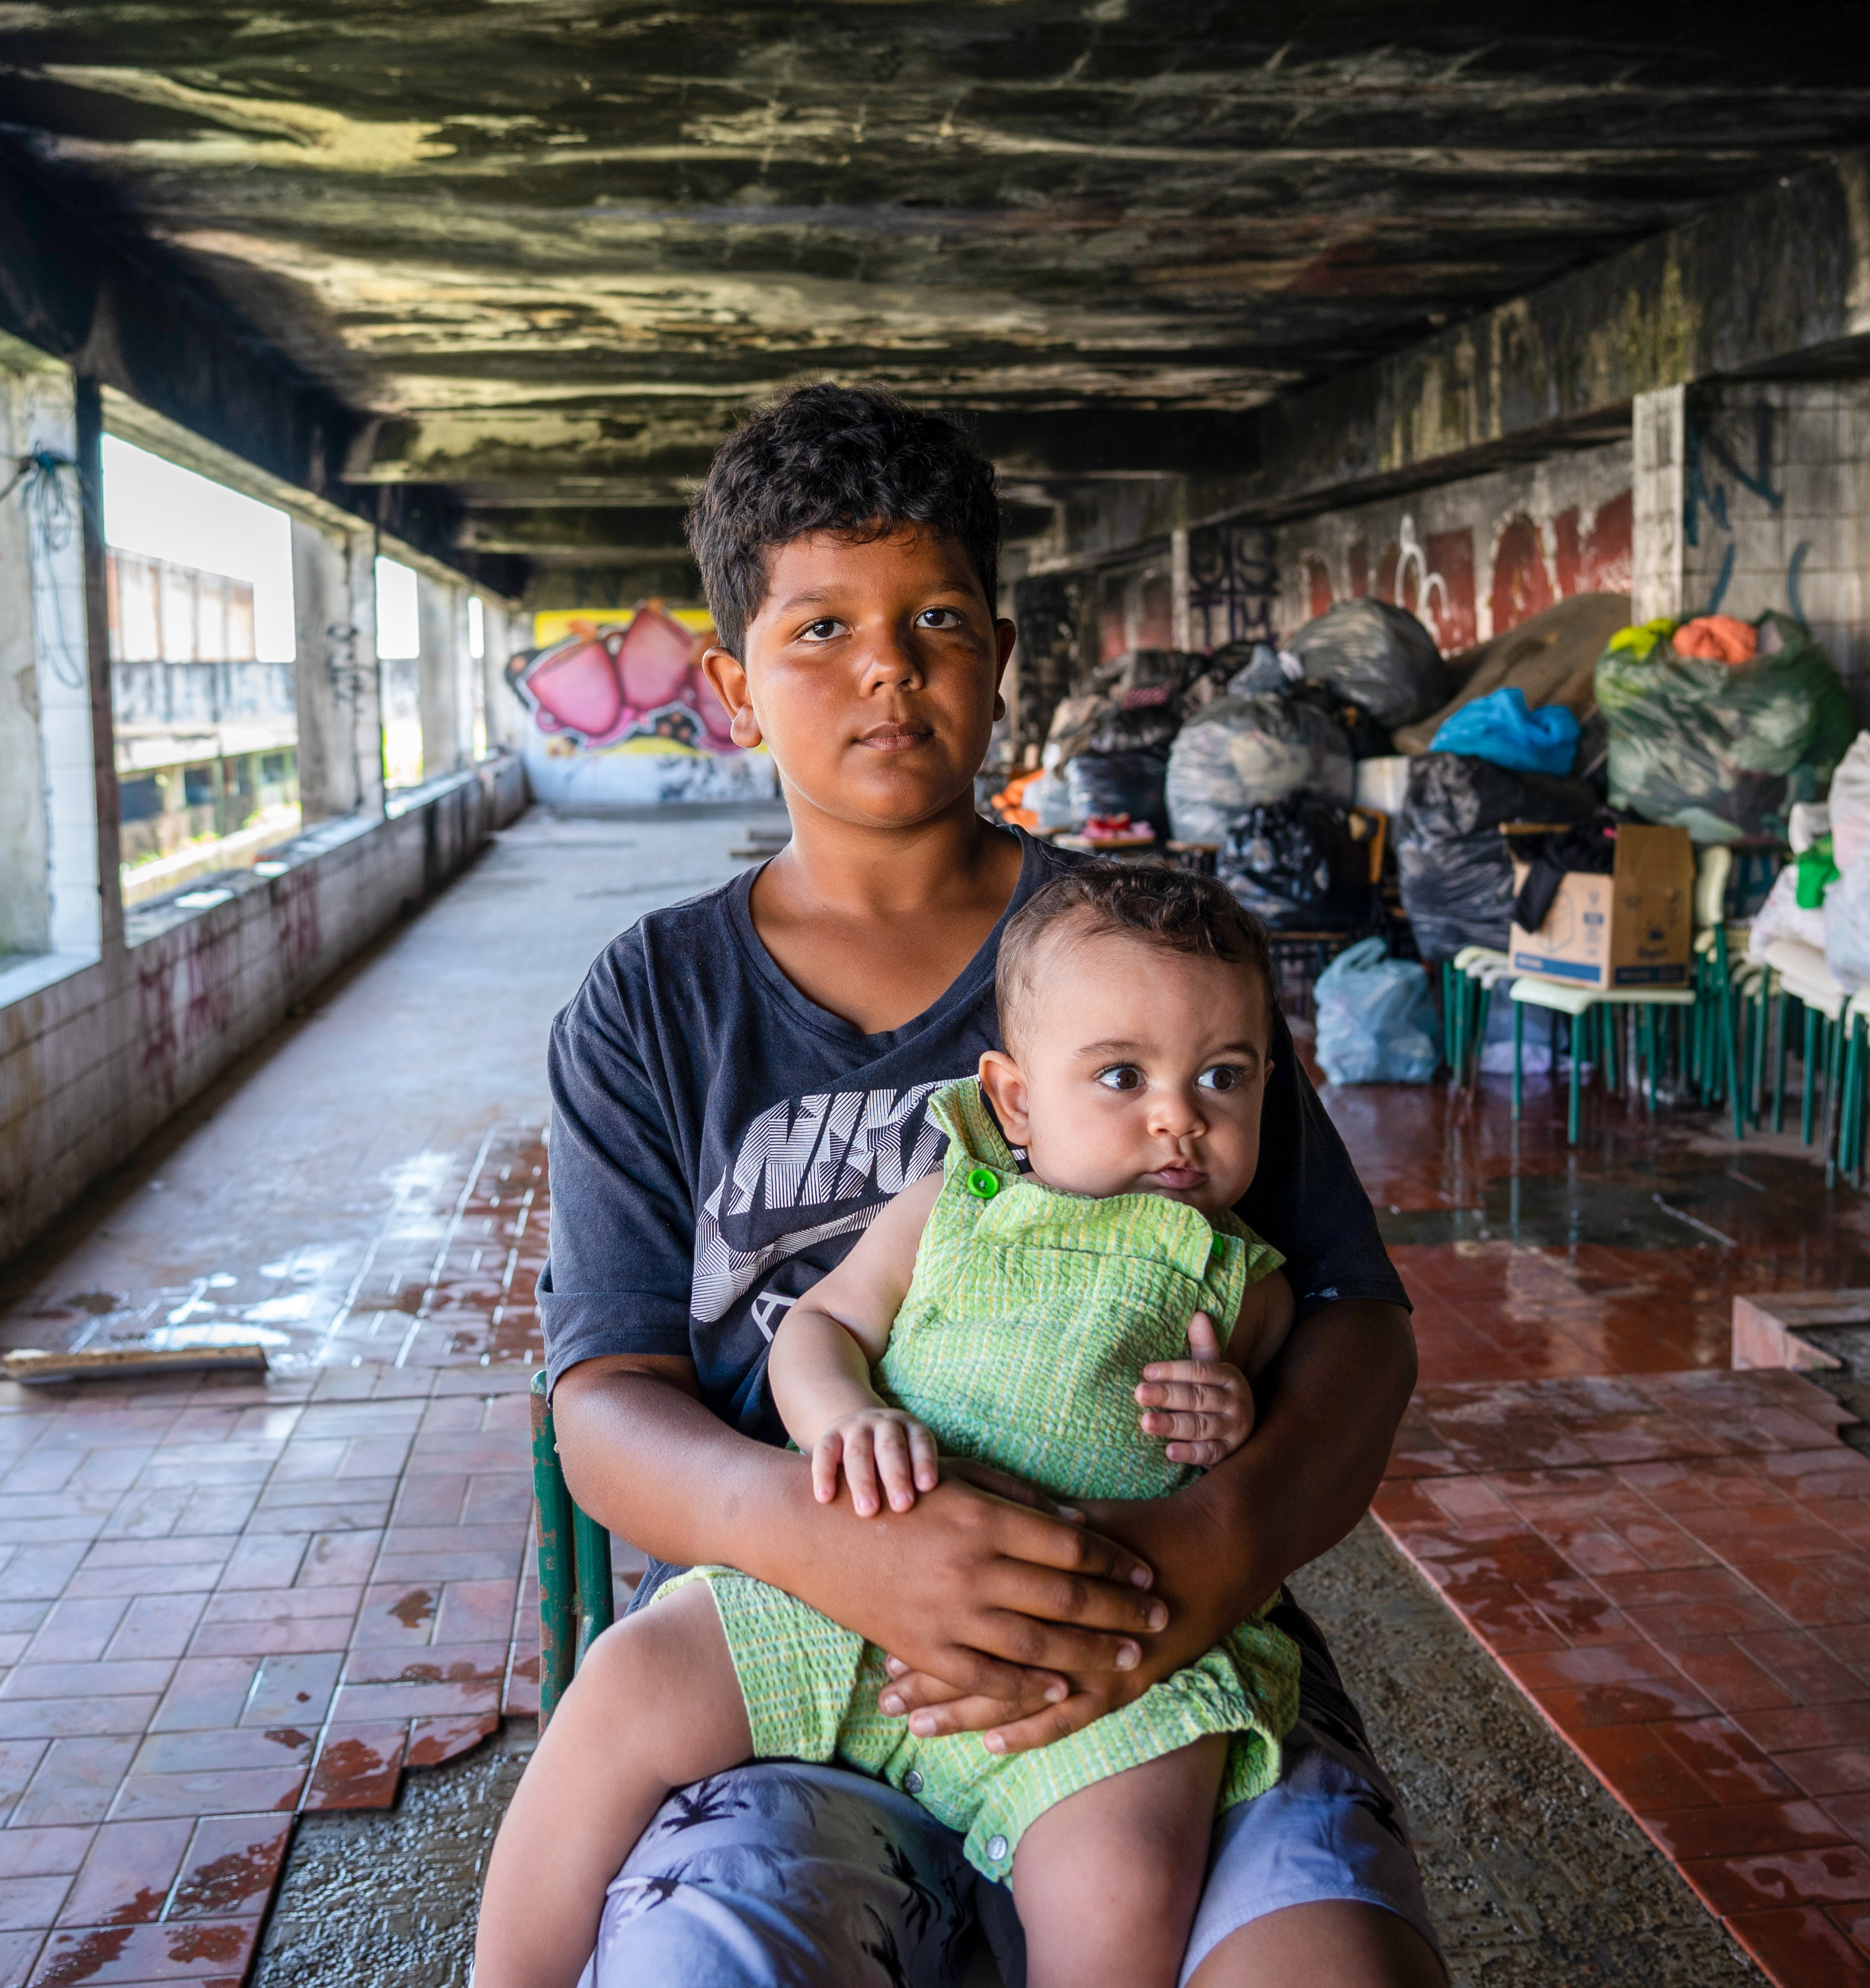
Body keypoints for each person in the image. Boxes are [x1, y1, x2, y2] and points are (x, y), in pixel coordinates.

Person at [533, 383, 1442, 1987]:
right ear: (734, 691)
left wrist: (1205, 1556)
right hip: (795, 1643)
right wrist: (826, 1544)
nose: (888, 666)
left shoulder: (1151, 955)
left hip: (1148, 1635)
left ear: (1002, 660)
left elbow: (1355, 1324)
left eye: (937, 618)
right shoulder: (655, 1003)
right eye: (822, 628)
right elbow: (605, 1403)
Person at [484, 865, 1308, 1988]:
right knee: (629, 1683)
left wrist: (1231, 1414)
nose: (1180, 1117)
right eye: (1122, 1076)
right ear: (1015, 1101)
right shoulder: (953, 1205)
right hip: (838, 1584)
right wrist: (848, 1416)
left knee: (1128, 1874)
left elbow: (1263, 1443)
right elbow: (819, 1327)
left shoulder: (1248, 1281)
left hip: (1088, 1665)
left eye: (1224, 1076)